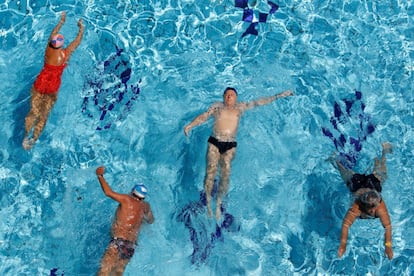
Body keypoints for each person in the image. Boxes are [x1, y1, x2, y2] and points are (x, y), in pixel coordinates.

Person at [184, 87, 294, 219]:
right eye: (227, 94)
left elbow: (260, 102)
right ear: (223, 97)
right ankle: (208, 205)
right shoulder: (217, 107)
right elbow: (204, 116)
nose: (229, 96)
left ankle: (218, 205)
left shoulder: (240, 107)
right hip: (214, 141)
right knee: (211, 171)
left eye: (232, 94)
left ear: (236, 98)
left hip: (230, 144)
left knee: (225, 172)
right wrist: (190, 125)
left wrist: (278, 95)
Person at [23, 11, 84, 150]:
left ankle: (25, 136)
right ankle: (33, 139)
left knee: (33, 111)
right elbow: (77, 42)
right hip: (52, 86)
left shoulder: (48, 49)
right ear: (61, 45)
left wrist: (61, 21)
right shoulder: (64, 55)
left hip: (41, 82)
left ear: (52, 43)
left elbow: (53, 33)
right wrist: (81, 28)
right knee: (43, 116)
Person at [330, 142, 393, 260]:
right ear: (364, 207)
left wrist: (388, 246)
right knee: (345, 173)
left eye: (376, 206)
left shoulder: (380, 206)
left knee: (381, 173)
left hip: (372, 184)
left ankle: (384, 151)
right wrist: (343, 245)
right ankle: (334, 159)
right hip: (357, 185)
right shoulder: (356, 208)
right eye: (373, 209)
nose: (376, 210)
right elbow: (345, 225)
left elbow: (388, 226)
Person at [96, 166, 154, 276]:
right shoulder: (146, 206)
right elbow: (150, 221)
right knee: (117, 272)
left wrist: (100, 176)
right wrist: (140, 221)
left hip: (118, 241)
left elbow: (108, 192)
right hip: (131, 245)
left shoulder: (127, 199)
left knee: (104, 271)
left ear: (132, 191)